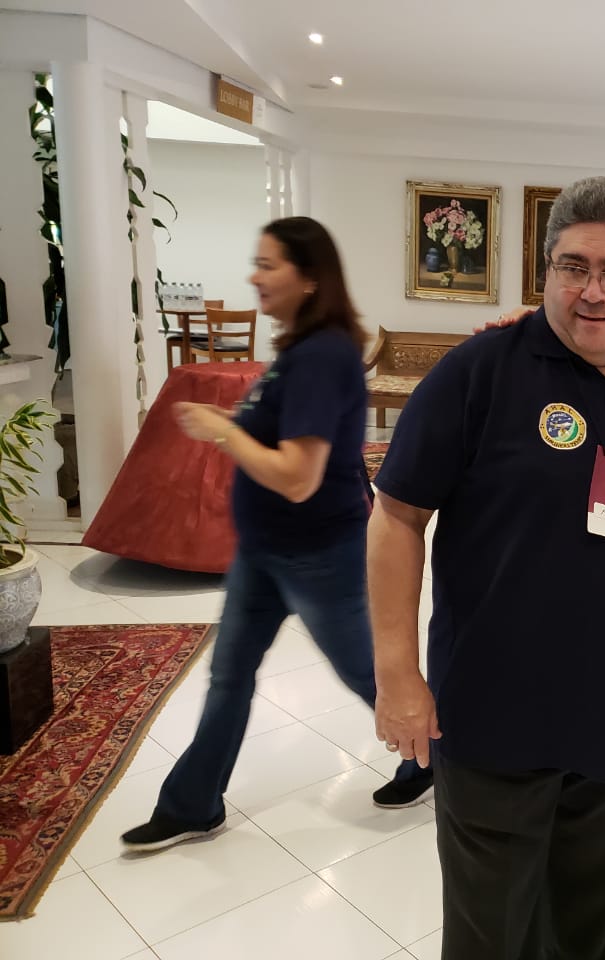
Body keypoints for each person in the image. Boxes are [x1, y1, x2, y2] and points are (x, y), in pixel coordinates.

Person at [368, 177, 605, 960]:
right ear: (545, 272)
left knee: (585, 925)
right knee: (490, 935)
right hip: (495, 715)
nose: (593, 291)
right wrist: (396, 675)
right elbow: (396, 516)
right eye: (572, 267)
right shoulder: (478, 371)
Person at [121, 217, 432, 853]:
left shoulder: (322, 356)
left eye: (268, 265)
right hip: (266, 552)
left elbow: (296, 476)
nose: (254, 277)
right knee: (229, 675)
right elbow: (281, 433)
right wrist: (236, 422)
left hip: (319, 553)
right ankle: (192, 805)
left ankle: (439, 760)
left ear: (309, 277)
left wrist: (221, 431)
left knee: (368, 674)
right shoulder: (301, 349)